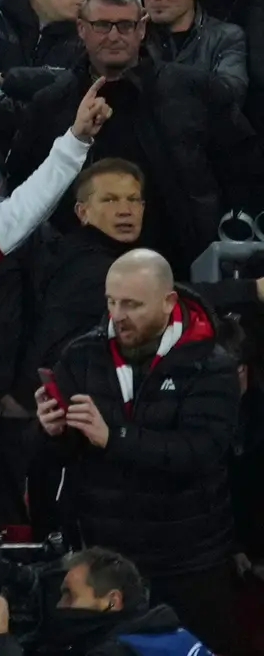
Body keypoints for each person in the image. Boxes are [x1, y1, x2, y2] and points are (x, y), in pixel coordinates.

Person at [41, 251, 239, 640]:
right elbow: (62, 456)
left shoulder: (212, 365)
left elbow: (198, 453)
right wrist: (53, 432)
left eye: (132, 304)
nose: (117, 315)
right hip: (107, 555)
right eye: (111, 302)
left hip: (188, 558)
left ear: (169, 302)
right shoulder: (82, 354)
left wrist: (113, 437)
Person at [0, 548, 215, 656]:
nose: (59, 606)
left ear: (112, 600)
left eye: (70, 595)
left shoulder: (118, 652)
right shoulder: (164, 634)